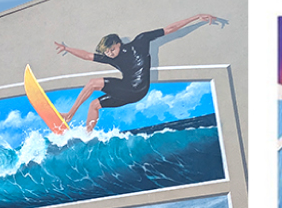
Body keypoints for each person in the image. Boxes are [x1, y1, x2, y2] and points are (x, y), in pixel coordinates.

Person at [54, 14, 219, 132]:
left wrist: (196, 17)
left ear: (119, 43)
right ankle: (86, 136)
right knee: (94, 105)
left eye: (112, 49)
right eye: (107, 52)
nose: (110, 54)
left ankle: (69, 114)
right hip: (131, 93)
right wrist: (67, 49)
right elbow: (87, 55)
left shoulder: (140, 41)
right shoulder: (110, 58)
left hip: (136, 88)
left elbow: (170, 29)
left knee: (92, 83)